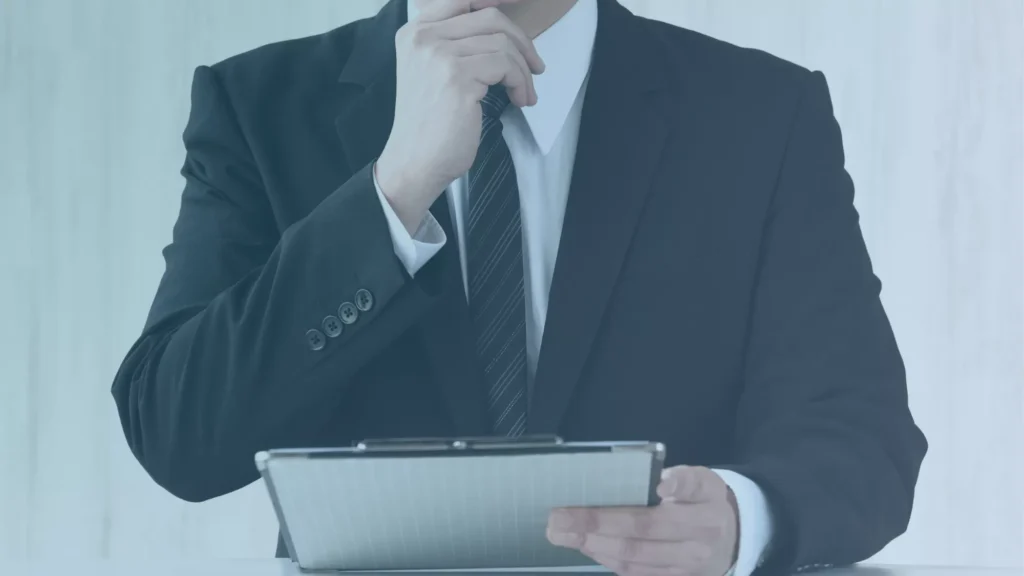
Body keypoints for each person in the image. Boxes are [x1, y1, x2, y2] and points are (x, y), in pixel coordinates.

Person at [110, 0, 928, 574]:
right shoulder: (258, 107)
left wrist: (741, 520)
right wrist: (391, 194)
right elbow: (179, 435)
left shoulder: (760, 114)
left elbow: (864, 439)